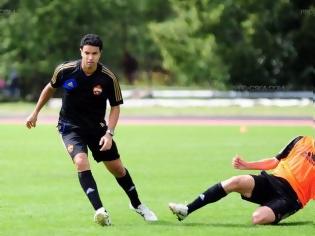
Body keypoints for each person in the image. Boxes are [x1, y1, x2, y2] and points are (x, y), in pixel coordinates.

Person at [26, 34, 157, 226]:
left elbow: (115, 107)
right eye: (87, 53)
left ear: (100, 54)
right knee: (80, 161)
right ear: (81, 52)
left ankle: (137, 204)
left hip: (97, 129)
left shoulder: (108, 77)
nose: (90, 57)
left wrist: (109, 133)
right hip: (69, 127)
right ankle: (100, 211)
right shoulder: (65, 70)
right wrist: (35, 112)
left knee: (118, 169)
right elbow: (50, 87)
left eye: (94, 53)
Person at [169, 135, 315, 225]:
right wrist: (247, 165)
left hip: (292, 198)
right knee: (236, 181)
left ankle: (272, 208)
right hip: (273, 181)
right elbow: (274, 161)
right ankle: (187, 209)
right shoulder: (301, 140)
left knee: (258, 218)